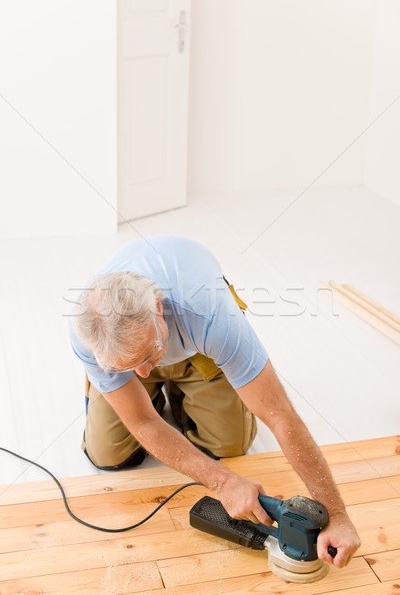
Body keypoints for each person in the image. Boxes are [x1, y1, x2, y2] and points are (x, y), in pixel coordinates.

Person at [69, 234, 360, 568]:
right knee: (107, 454)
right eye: (131, 367)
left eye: (150, 355)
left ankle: (183, 387)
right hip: (142, 344)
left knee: (231, 442)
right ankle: (151, 370)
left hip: (197, 346)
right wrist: (223, 482)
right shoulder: (90, 333)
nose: (146, 373)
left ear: (158, 309)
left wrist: (336, 513)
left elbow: (280, 415)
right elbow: (142, 421)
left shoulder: (209, 313)